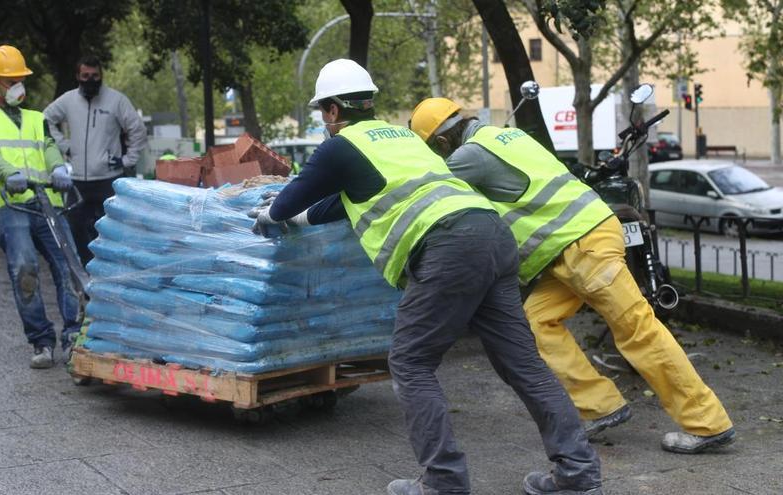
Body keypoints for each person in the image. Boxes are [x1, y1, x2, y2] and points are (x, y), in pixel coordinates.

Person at [251, 59, 603, 495]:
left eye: (324, 111)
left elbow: (288, 201)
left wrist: (270, 214)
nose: (324, 120)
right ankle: (578, 473)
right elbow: (348, 201)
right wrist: (302, 218)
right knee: (524, 364)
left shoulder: (339, 147)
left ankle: (443, 482)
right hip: (492, 236)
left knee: (411, 362)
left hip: (448, 246)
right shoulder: (402, 139)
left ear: (334, 110)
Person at [409, 97, 735, 454]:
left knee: (638, 332)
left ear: (440, 142)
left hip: (581, 245)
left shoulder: (467, 156)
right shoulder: (505, 136)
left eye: (434, 150)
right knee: (536, 322)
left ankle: (707, 423)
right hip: (573, 246)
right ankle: (600, 406)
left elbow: (430, 193)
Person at [0, 45, 80, 369]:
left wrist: (58, 168)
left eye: (20, 78)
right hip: (10, 204)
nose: (17, 85)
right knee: (24, 268)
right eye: (9, 79)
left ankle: (74, 337)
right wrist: (8, 174)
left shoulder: (36, 118)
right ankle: (41, 341)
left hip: (48, 203)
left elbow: (48, 146)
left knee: (70, 267)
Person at [44, 55, 147, 266]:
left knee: (112, 232)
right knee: (76, 231)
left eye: (95, 76)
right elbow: (44, 120)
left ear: (101, 76)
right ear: (78, 76)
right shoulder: (68, 100)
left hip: (108, 180)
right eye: (85, 76)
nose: (90, 80)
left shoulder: (116, 100)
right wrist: (64, 146)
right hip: (78, 181)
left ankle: (110, 273)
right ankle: (84, 275)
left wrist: (128, 160)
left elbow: (137, 130)